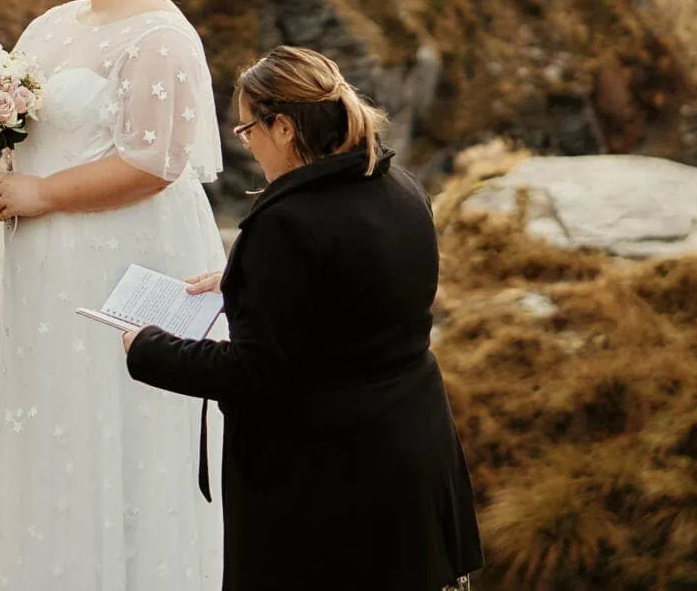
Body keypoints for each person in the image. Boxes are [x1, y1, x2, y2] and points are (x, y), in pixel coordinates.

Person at [0, 0, 225, 591]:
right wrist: (0, 159)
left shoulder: (162, 35)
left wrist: (40, 189)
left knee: (119, 422)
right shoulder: (49, 24)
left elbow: (156, 161)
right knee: (47, 420)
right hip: (42, 258)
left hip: (122, 252)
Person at [124, 46, 483, 591]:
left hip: (323, 476)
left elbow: (255, 373)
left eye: (248, 131)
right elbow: (362, 283)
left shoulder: (286, 225)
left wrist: (148, 347)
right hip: (410, 448)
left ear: (285, 128)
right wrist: (247, 280)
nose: (248, 145)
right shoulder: (401, 188)